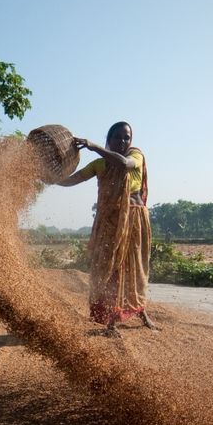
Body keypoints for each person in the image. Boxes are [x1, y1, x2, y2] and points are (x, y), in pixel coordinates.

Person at [58, 121, 156, 336]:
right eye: (117, 137)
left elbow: (125, 164)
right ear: (109, 139)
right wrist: (48, 177)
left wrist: (94, 147)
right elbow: (73, 180)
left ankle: (140, 310)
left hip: (134, 219)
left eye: (126, 137)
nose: (122, 141)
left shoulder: (136, 155)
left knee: (135, 267)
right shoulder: (99, 165)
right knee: (111, 268)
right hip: (110, 222)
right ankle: (111, 318)